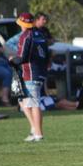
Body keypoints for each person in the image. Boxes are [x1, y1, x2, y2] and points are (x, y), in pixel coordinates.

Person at [12, 13, 49, 141]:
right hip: (40, 72)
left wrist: (12, 60)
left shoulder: (25, 36)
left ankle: (38, 133)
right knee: (22, 101)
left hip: (30, 73)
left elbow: (22, 57)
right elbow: (47, 55)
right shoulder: (40, 34)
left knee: (34, 103)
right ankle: (34, 129)